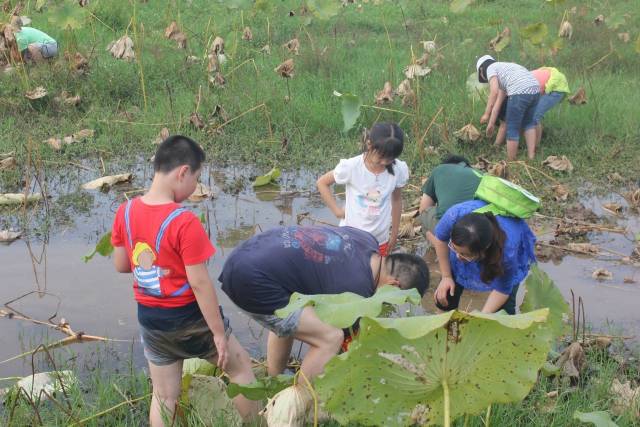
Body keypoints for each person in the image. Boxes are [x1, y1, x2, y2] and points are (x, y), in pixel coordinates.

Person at [110, 135, 258, 426]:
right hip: (190, 320)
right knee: (242, 372)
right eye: (196, 179)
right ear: (182, 173)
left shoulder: (124, 212)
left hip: (151, 320)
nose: (194, 189)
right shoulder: (184, 221)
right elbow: (200, 284)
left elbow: (121, 264)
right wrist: (217, 333)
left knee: (164, 396)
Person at [219, 225, 429, 378]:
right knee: (330, 338)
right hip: (251, 281)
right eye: (397, 299)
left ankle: (275, 380)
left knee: (298, 316)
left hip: (247, 254)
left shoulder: (367, 240)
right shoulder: (358, 291)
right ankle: (295, 404)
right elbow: (346, 348)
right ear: (394, 285)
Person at [317, 122, 409, 256]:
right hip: (351, 237)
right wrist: (337, 212)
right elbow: (322, 183)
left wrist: (394, 234)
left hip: (380, 239)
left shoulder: (398, 169)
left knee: (375, 274)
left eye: (390, 158)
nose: (384, 162)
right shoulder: (352, 167)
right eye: (381, 157)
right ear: (369, 144)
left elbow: (396, 200)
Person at [431, 200, 536, 315]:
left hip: (506, 244)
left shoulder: (507, 253)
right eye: (454, 248)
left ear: (484, 250)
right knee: (446, 293)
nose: (458, 256)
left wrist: (482, 316)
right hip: (474, 242)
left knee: (504, 311)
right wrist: (446, 276)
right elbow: (440, 239)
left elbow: (502, 290)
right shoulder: (454, 215)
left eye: (465, 254)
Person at [477, 55, 540, 160]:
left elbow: (494, 92)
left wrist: (486, 114)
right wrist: (491, 124)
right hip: (535, 90)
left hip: (520, 91)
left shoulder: (490, 68)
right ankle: (531, 157)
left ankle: (511, 162)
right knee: (528, 124)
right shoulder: (505, 71)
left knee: (512, 128)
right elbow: (497, 104)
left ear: (481, 69)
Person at [494, 67, 570, 147]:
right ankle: (524, 145)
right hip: (544, 81)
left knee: (534, 117)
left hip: (556, 85)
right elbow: (506, 123)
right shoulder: (509, 88)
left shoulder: (514, 92)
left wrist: (497, 144)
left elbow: (505, 123)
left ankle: (536, 148)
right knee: (525, 117)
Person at [418, 155, 481, 239]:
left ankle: (440, 244)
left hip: (452, 228)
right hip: (480, 228)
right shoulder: (481, 174)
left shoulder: (440, 169)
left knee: (424, 214)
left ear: (446, 164)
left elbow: (423, 208)